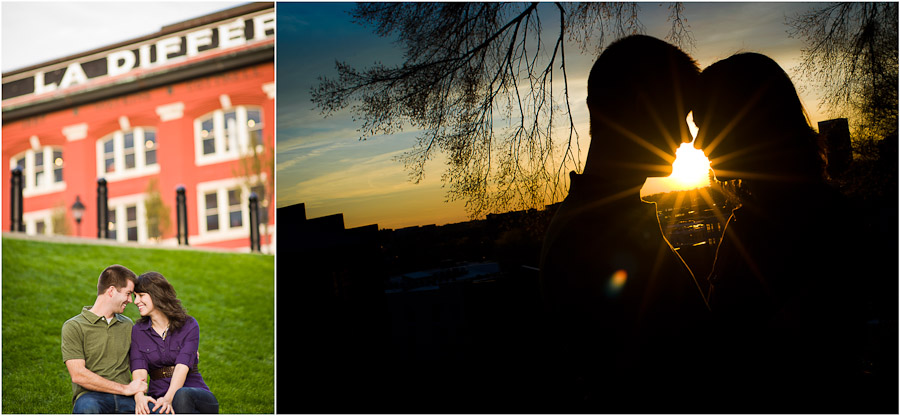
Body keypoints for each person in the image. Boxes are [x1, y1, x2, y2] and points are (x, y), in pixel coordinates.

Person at [538, 35, 711, 412]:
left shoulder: (601, 222)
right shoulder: (592, 237)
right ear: (643, 107)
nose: (687, 138)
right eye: (681, 117)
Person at [693, 52, 870, 412]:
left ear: (748, 123)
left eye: (707, 125)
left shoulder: (807, 225)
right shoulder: (769, 217)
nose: (697, 144)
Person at [130, 271, 218, 414]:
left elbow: (182, 367)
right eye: (135, 296)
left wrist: (169, 398)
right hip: (157, 397)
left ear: (156, 294)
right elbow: (139, 368)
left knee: (181, 396)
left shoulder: (189, 325)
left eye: (141, 296)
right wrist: (140, 398)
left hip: (195, 394)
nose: (135, 301)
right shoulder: (138, 331)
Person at [62, 264, 146, 413]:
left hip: (127, 399)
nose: (130, 300)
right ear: (112, 291)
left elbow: (142, 358)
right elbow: (78, 375)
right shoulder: (74, 326)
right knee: (88, 408)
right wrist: (124, 389)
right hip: (91, 397)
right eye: (128, 294)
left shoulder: (127, 325)